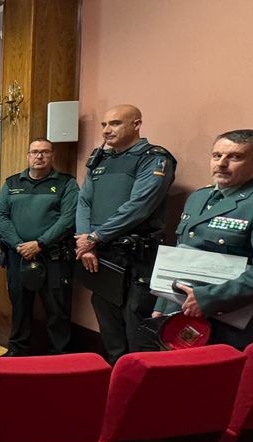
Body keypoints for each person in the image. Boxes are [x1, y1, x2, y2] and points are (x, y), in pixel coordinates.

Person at [152, 129, 253, 350]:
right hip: (181, 314)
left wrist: (208, 298)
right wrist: (162, 302)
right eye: (217, 155)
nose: (221, 163)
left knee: (223, 382)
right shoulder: (199, 197)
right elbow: (182, 254)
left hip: (230, 323)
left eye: (235, 157)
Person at [75, 104, 175, 363]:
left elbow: (139, 207)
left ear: (137, 124)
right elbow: (84, 201)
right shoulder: (101, 158)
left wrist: (95, 237)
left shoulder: (154, 158)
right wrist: (85, 240)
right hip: (101, 255)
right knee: (108, 322)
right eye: (104, 125)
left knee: (136, 323)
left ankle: (140, 385)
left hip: (135, 257)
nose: (107, 130)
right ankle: (115, 378)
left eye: (116, 123)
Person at [0, 138, 78, 356]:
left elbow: (68, 219)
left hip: (53, 257)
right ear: (28, 156)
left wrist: (40, 243)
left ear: (52, 156)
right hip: (18, 256)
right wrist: (18, 244)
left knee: (56, 310)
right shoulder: (12, 183)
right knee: (20, 307)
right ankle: (17, 351)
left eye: (45, 152)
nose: (39, 156)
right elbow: (1, 216)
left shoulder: (66, 183)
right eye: (34, 152)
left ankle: (58, 356)